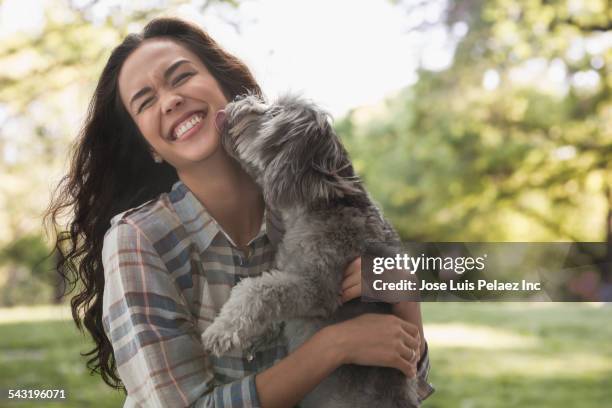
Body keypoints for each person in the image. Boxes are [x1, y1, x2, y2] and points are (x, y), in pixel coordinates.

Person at [46, 17, 434, 407]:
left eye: (181, 77)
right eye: (146, 101)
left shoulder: (316, 206)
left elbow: (399, 383)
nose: (170, 100)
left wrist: (404, 296)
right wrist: (333, 346)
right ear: (150, 148)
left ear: (228, 91)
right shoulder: (139, 239)